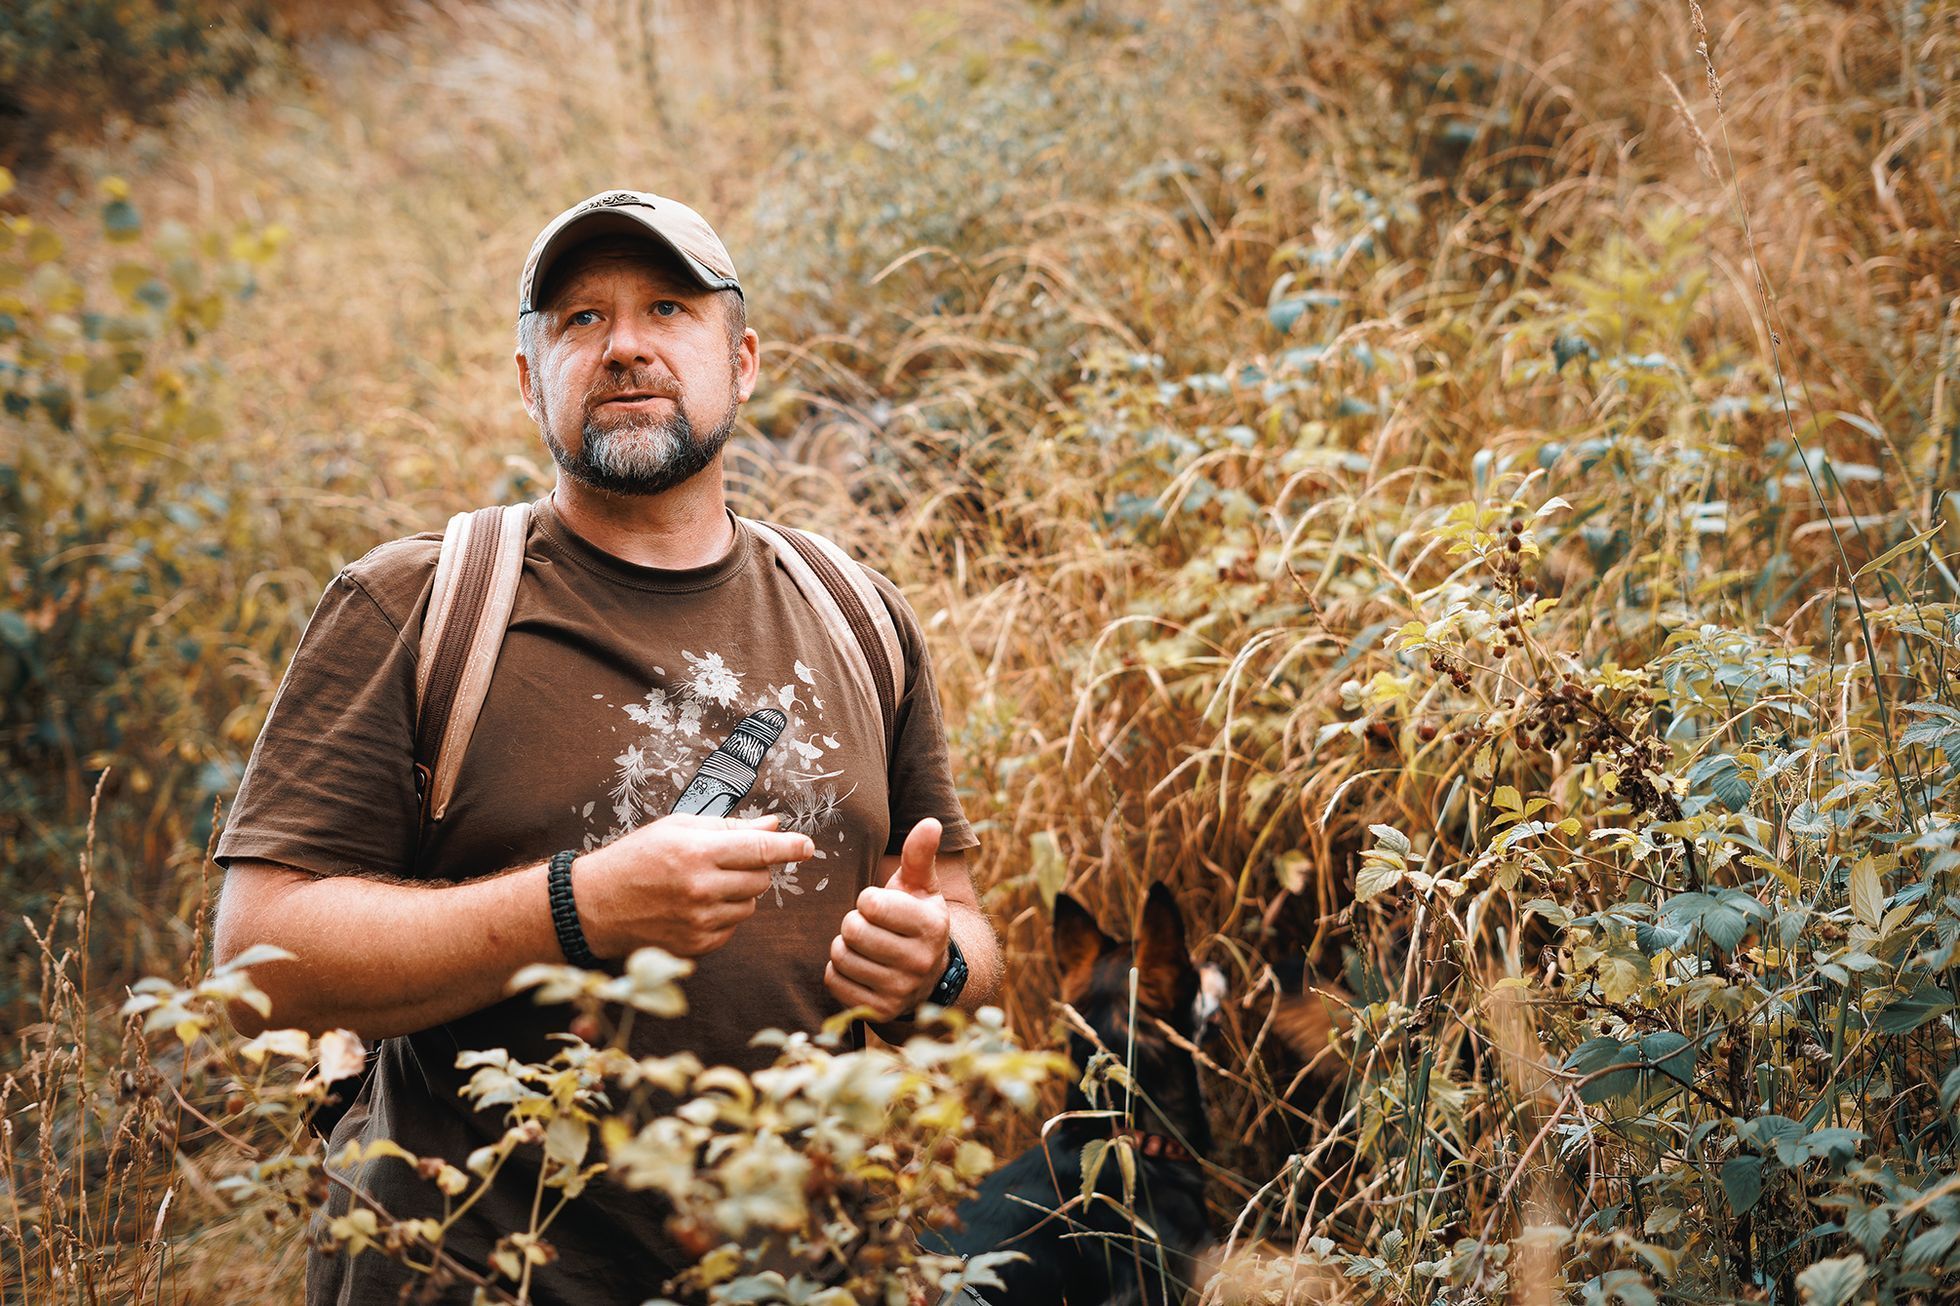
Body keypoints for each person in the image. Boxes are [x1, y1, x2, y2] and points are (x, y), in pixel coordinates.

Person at [211, 188, 1001, 1304]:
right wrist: (572, 910)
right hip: (479, 1275)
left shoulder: (856, 611)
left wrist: (938, 963)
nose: (626, 344)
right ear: (530, 377)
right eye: (579, 319)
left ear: (745, 359)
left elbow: (967, 927)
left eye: (668, 308)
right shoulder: (415, 606)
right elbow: (252, 964)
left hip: (814, 1273)